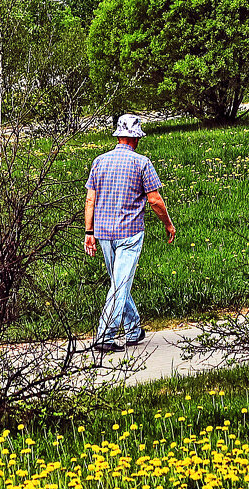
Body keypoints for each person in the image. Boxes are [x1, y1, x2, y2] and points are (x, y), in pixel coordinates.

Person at [84, 114, 176, 353]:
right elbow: (154, 199)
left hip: (103, 233)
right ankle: (105, 335)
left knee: (119, 282)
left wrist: (88, 232)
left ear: (118, 136)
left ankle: (134, 328)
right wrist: (168, 223)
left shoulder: (99, 161)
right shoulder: (141, 163)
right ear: (136, 138)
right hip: (130, 232)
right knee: (120, 284)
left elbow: (90, 199)